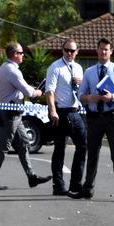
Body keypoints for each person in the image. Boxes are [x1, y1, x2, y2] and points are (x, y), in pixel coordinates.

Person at [0, 42, 52, 191]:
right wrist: (38, 92)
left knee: (23, 142)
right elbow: (28, 92)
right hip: (11, 114)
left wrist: (30, 90)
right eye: (21, 53)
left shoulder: (5, 67)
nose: (23, 56)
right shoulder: (12, 70)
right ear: (14, 54)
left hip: (14, 113)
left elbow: (20, 88)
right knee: (3, 147)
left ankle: (31, 176)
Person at [71, 37, 114, 203]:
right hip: (94, 119)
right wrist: (89, 97)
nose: (104, 52)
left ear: (111, 51)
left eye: (107, 49)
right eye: (101, 49)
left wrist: (113, 96)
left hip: (113, 118)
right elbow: (81, 95)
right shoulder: (89, 72)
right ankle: (87, 190)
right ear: (96, 51)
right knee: (92, 155)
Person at [45, 38, 88, 196]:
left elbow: (82, 90)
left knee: (82, 145)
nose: (69, 53)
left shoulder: (78, 67)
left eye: (72, 51)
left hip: (75, 111)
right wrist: (53, 110)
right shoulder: (55, 67)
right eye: (66, 50)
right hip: (61, 112)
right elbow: (49, 91)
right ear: (62, 51)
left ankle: (76, 184)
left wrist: (81, 82)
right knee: (60, 149)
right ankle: (58, 185)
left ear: (77, 52)